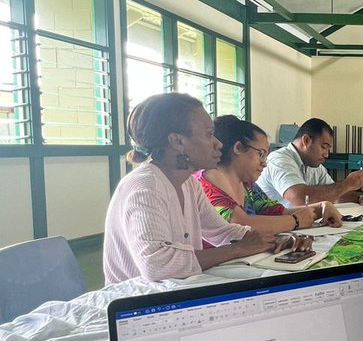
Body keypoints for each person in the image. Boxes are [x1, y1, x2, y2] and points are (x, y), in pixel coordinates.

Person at [103, 94, 311, 284]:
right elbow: (157, 264)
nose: (218, 144)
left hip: (174, 289)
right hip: (137, 302)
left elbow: (222, 231)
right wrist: (238, 249)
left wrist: (274, 241)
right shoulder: (145, 186)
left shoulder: (188, 184)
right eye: (209, 134)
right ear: (178, 142)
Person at [197, 115, 344, 235]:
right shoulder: (205, 187)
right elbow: (242, 225)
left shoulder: (248, 186)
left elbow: (276, 212)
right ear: (239, 148)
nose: (264, 163)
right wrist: (295, 221)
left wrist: (322, 207)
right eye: (260, 154)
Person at [256, 118, 363, 208]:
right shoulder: (279, 160)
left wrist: (359, 198)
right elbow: (300, 198)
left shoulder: (314, 165)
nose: (326, 154)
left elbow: (334, 195)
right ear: (306, 140)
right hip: (276, 229)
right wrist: (346, 184)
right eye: (324, 147)